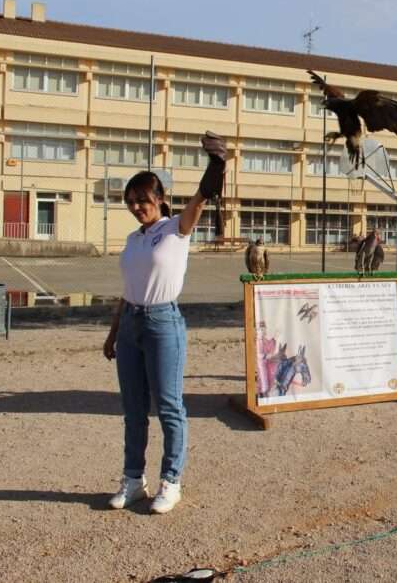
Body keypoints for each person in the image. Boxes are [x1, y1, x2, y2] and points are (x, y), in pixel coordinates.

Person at [103, 133, 225, 514]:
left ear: (160, 199)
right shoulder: (133, 238)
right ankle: (133, 480)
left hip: (162, 323)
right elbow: (128, 289)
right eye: (131, 201)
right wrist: (112, 334)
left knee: (169, 406)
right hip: (130, 325)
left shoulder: (176, 229)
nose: (137, 207)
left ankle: (171, 482)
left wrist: (217, 163)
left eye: (144, 199)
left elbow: (203, 196)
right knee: (133, 409)